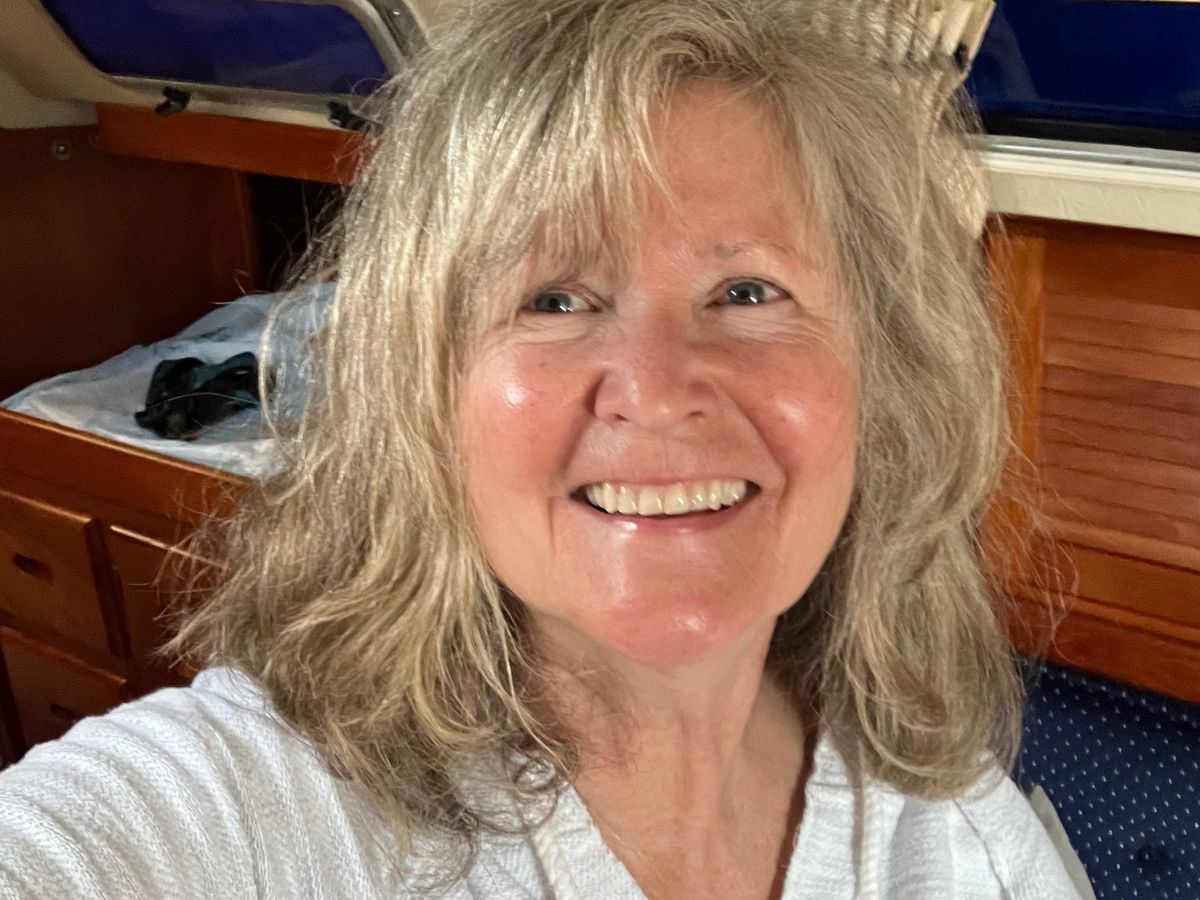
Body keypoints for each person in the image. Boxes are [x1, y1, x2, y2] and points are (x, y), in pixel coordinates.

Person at [0, 0, 1085, 897]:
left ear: (879, 375)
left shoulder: (956, 832)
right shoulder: (248, 811)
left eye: (749, 291)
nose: (655, 391)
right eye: (554, 298)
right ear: (424, 395)